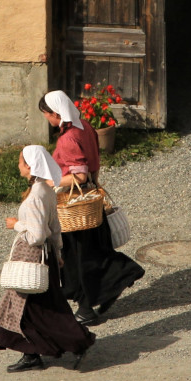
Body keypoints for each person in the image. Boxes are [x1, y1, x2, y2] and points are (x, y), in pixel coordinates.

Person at [39, 89, 146, 325]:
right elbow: (94, 163)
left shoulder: (67, 139)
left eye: (46, 114)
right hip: (91, 201)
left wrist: (49, 182)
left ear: (55, 113)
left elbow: (78, 175)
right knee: (94, 251)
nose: (47, 119)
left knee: (79, 258)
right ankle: (111, 285)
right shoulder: (85, 126)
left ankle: (90, 305)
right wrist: (94, 185)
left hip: (75, 206)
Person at [0, 145, 96, 373]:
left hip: (32, 258)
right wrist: (58, 254)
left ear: (29, 166)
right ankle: (30, 354)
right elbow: (56, 227)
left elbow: (37, 235)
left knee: (39, 309)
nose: (18, 166)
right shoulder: (45, 190)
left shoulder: (37, 195)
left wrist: (16, 225)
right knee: (31, 307)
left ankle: (79, 343)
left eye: (20, 162)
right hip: (45, 257)